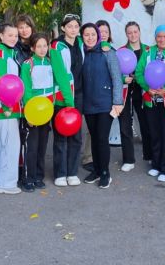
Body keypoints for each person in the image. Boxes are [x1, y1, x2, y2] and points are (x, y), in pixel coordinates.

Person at [20, 33, 74, 191]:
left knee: (43, 145)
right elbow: (26, 90)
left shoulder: (51, 63)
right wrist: (30, 113)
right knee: (32, 145)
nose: (43, 49)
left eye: (45, 46)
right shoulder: (28, 64)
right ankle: (28, 178)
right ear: (32, 48)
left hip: (48, 110)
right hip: (33, 111)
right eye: (39, 46)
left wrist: (69, 103)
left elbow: (57, 85)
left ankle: (38, 176)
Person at [135, 24, 165, 182]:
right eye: (159, 36)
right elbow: (138, 72)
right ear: (155, 38)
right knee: (154, 135)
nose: (162, 39)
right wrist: (146, 87)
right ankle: (156, 165)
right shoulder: (149, 52)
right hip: (151, 102)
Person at [80, 23, 124, 188]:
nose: (90, 37)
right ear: (82, 37)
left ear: (98, 36)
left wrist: (117, 102)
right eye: (86, 35)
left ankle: (105, 173)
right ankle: (97, 170)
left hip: (105, 104)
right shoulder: (82, 53)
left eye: (93, 34)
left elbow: (116, 78)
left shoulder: (108, 52)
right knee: (94, 137)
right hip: (88, 104)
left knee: (101, 138)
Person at [0, 22, 22, 195]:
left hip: (7, 104)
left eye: (15, 35)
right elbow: (1, 83)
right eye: (10, 35)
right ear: (1, 36)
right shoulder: (1, 55)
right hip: (4, 105)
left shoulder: (9, 52)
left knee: (2, 143)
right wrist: (7, 105)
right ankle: (5, 183)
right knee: (11, 143)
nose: (14, 38)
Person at [50, 14, 85, 186]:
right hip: (62, 98)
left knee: (76, 136)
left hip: (78, 95)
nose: (73, 29)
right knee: (61, 136)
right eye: (69, 26)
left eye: (76, 26)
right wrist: (69, 101)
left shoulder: (81, 43)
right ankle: (60, 173)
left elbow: (101, 41)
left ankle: (72, 172)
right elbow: (60, 75)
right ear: (63, 28)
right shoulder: (56, 46)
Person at [119, 21, 152, 171]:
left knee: (146, 124)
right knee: (125, 124)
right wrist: (122, 78)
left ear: (139, 32)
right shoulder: (121, 51)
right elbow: (114, 72)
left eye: (135, 32)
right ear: (126, 34)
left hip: (143, 92)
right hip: (125, 92)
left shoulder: (148, 50)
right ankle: (128, 159)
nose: (133, 35)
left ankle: (149, 155)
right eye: (129, 32)